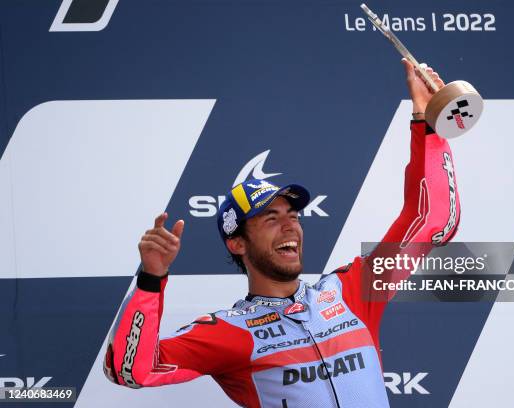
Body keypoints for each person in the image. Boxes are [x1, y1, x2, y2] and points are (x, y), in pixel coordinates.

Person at [103, 59, 461, 408]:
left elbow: (432, 219)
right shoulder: (229, 332)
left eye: (293, 214)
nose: (290, 224)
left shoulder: (352, 290)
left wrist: (427, 122)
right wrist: (151, 279)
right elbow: (130, 370)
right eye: (270, 218)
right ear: (237, 242)